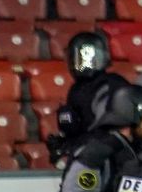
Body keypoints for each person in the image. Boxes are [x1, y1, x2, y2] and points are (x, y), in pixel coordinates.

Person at [47, 31, 130, 165]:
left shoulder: (109, 86)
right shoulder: (77, 89)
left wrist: (74, 147)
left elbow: (107, 132)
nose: (83, 62)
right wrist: (65, 143)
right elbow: (82, 128)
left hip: (114, 162)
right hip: (92, 158)